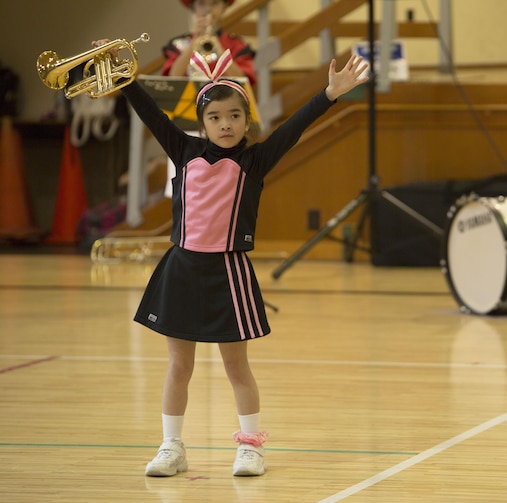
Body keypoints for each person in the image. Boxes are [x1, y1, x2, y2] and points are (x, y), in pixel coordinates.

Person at [103, 39, 368, 477]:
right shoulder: (183, 151)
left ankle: (250, 447)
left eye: (234, 116)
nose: (225, 124)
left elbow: (294, 127)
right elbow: (148, 110)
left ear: (247, 119)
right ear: (202, 122)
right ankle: (172, 447)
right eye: (215, 117)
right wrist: (121, 73)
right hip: (182, 269)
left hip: (229, 272)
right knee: (178, 365)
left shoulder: (255, 160)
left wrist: (328, 95)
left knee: (236, 366)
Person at [163, 0, 256, 85]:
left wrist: (219, 51)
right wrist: (194, 42)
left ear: (224, 7)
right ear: (193, 7)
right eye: (201, 3)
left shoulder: (236, 44)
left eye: (215, 3)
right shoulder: (178, 43)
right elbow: (172, 78)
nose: (208, 9)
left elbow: (243, 81)